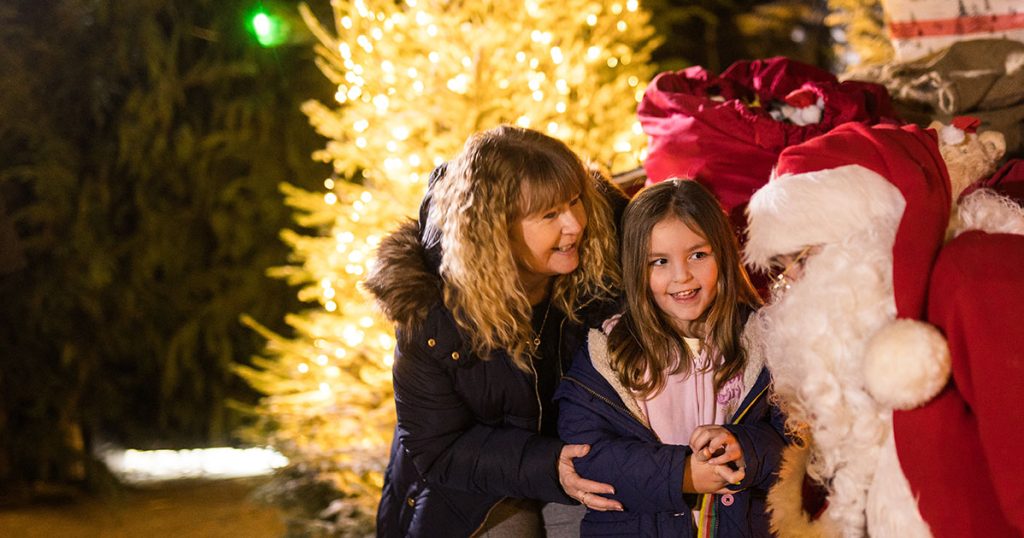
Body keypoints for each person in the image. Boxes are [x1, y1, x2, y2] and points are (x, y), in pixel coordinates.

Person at [744, 121, 1024, 537]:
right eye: (783, 273)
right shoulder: (879, 329)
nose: (793, 288)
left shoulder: (977, 276)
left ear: (861, 232)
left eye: (801, 259)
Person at [364, 125, 629, 537]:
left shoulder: (609, 239)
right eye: (549, 215)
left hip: (585, 456)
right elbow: (440, 448)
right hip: (471, 488)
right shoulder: (429, 309)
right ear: (495, 229)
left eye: (575, 201)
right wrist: (547, 463)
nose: (575, 224)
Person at [554, 179, 786, 537]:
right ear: (637, 270)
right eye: (659, 261)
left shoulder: (762, 340)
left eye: (698, 255)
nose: (682, 276)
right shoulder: (607, 352)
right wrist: (684, 474)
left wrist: (746, 449)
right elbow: (589, 453)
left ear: (722, 253)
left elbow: (793, 439)